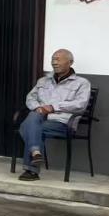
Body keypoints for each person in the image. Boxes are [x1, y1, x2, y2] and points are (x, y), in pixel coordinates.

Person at [18, 49, 91, 181]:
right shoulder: (43, 81)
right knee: (33, 119)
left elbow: (80, 104)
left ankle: (32, 167)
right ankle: (36, 154)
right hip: (39, 118)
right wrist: (38, 108)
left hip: (62, 122)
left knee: (27, 127)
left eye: (58, 59)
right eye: (53, 59)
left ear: (70, 62)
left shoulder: (82, 83)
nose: (54, 63)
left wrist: (53, 107)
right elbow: (30, 98)